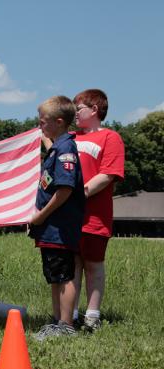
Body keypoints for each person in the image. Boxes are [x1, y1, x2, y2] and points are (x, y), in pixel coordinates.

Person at [29, 96, 85, 341]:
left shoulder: (65, 151)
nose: (40, 126)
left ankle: (66, 325)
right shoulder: (57, 147)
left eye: (43, 123)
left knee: (64, 275)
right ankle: (57, 321)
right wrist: (40, 137)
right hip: (50, 228)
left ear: (59, 122)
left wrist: (40, 216)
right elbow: (49, 143)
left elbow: (64, 189)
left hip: (59, 226)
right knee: (55, 275)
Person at [72, 89, 125, 331]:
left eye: (78, 108)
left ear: (94, 110)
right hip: (69, 216)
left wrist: (78, 193)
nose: (74, 113)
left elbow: (108, 174)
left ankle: (92, 316)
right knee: (72, 265)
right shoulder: (69, 138)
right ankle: (69, 314)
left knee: (93, 265)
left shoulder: (110, 137)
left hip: (95, 216)